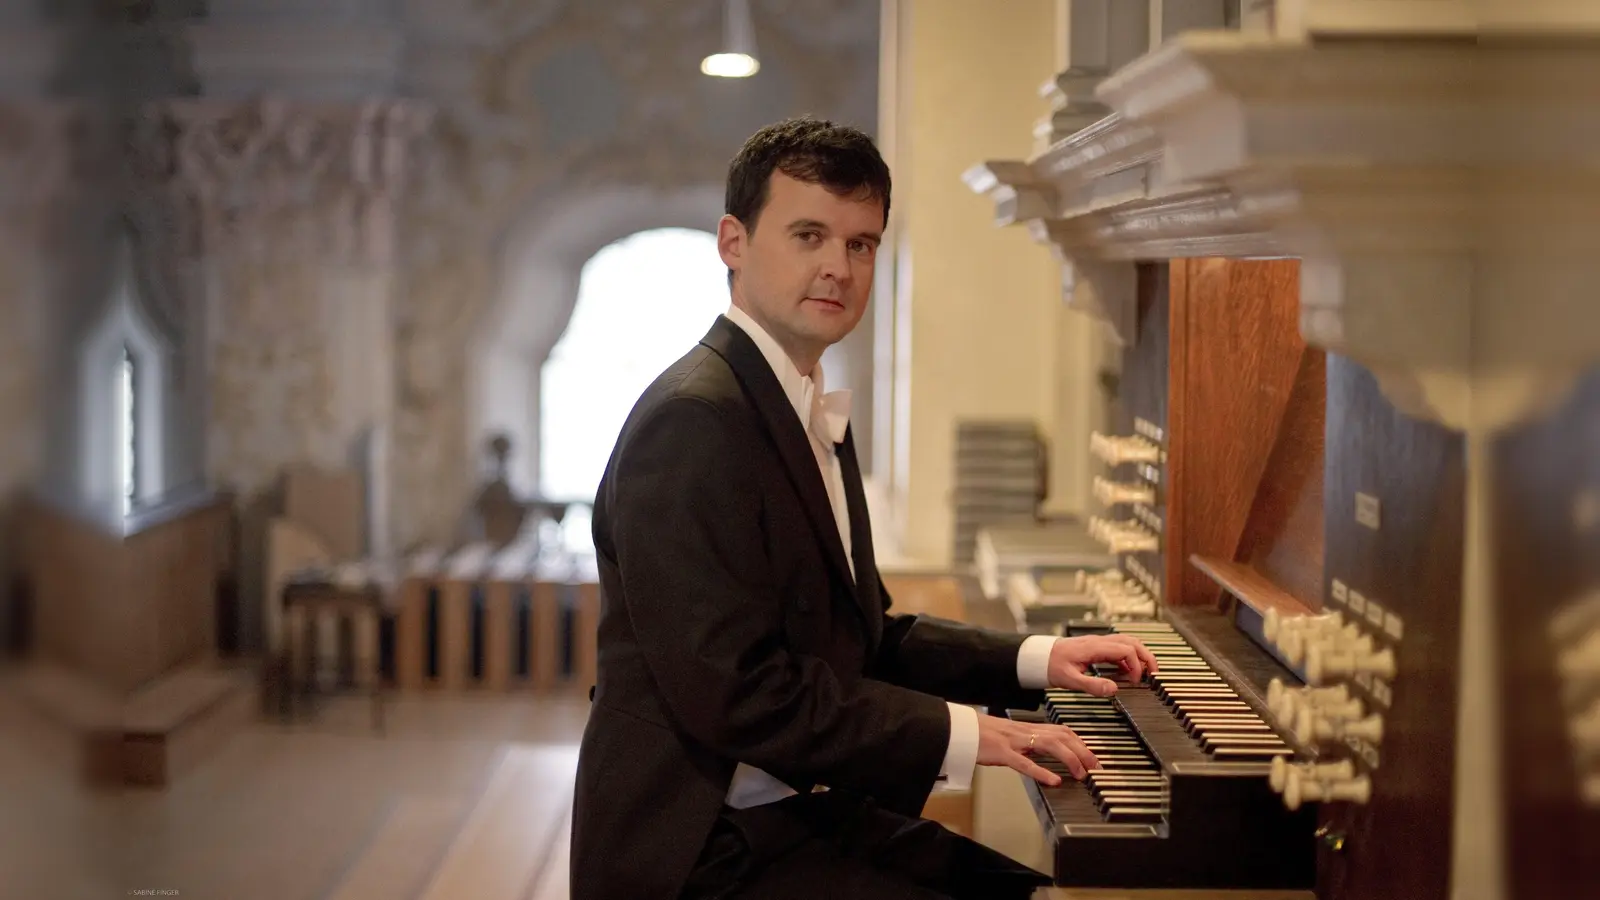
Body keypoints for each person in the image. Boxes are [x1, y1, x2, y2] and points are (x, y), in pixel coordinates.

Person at [570, 116, 1159, 900]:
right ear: (732, 243)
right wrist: (967, 733)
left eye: (861, 244)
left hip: (799, 815)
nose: (837, 268)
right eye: (808, 235)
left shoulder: (802, 403)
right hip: (700, 852)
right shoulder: (695, 420)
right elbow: (739, 694)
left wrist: (1037, 661)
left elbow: (865, 641)